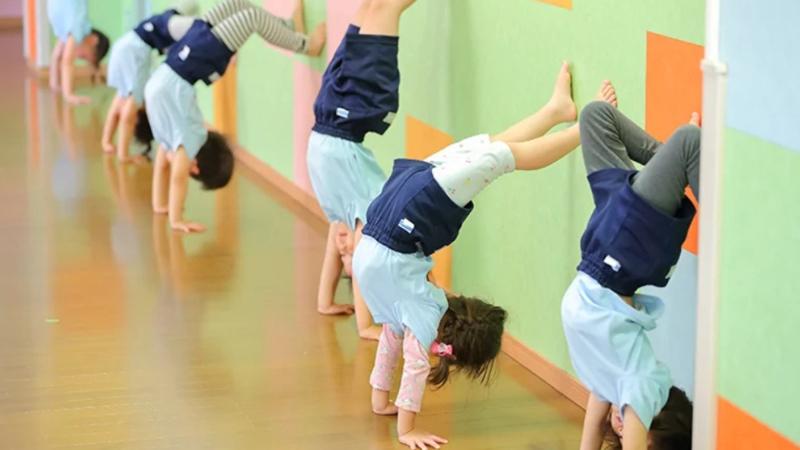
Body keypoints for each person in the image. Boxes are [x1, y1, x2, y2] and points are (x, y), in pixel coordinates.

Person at [353, 26, 619, 449]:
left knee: (492, 156)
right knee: (485, 154)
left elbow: (414, 363)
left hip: (403, 216)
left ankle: (563, 119)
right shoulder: (413, 317)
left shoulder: (426, 315)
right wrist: (390, 412)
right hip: (389, 223)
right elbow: (399, 355)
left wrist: (404, 418)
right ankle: (569, 121)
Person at [561, 100, 699, 450]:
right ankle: (695, 176)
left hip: (607, 245)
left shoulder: (614, 385)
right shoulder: (639, 388)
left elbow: (592, 429)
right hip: (622, 253)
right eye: (634, 435)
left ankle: (673, 166)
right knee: (689, 141)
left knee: (596, 115)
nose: (622, 429)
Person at [146, 0, 326, 233]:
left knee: (238, 5)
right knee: (251, 18)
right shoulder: (187, 143)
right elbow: (177, 177)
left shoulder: (170, 142)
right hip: (197, 57)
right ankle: (306, 44)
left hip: (185, 57)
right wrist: (176, 218)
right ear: (196, 168)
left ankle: (289, 27)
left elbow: (163, 168)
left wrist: (160, 204)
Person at [101, 3, 199, 162]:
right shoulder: (145, 85)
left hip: (124, 45)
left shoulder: (163, 23)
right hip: (136, 51)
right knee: (129, 106)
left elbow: (118, 110)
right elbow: (127, 115)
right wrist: (124, 155)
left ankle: (106, 141)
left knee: (121, 100)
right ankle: (122, 154)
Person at [47, 0, 110, 105]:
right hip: (60, 6)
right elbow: (67, 61)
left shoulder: (68, 27)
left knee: (60, 50)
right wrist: (69, 95)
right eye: (85, 57)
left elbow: (57, 55)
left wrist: (54, 83)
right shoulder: (79, 26)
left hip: (55, 7)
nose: (80, 56)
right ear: (94, 40)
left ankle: (56, 85)